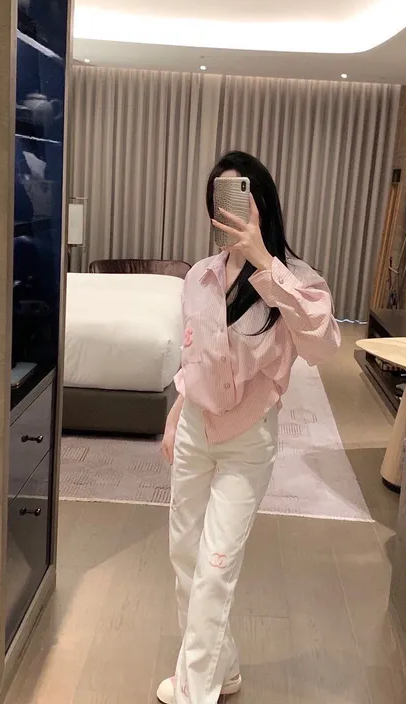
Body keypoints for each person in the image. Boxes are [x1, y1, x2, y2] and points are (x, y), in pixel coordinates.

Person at [157, 151, 341, 704]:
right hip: (195, 428)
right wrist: (174, 417)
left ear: (262, 203)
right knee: (184, 555)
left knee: (215, 566)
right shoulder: (200, 277)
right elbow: (194, 358)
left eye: (240, 196)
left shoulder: (295, 281)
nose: (229, 211)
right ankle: (226, 670)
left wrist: (263, 261)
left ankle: (195, 691)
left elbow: (324, 344)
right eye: (219, 200)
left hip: (247, 440)